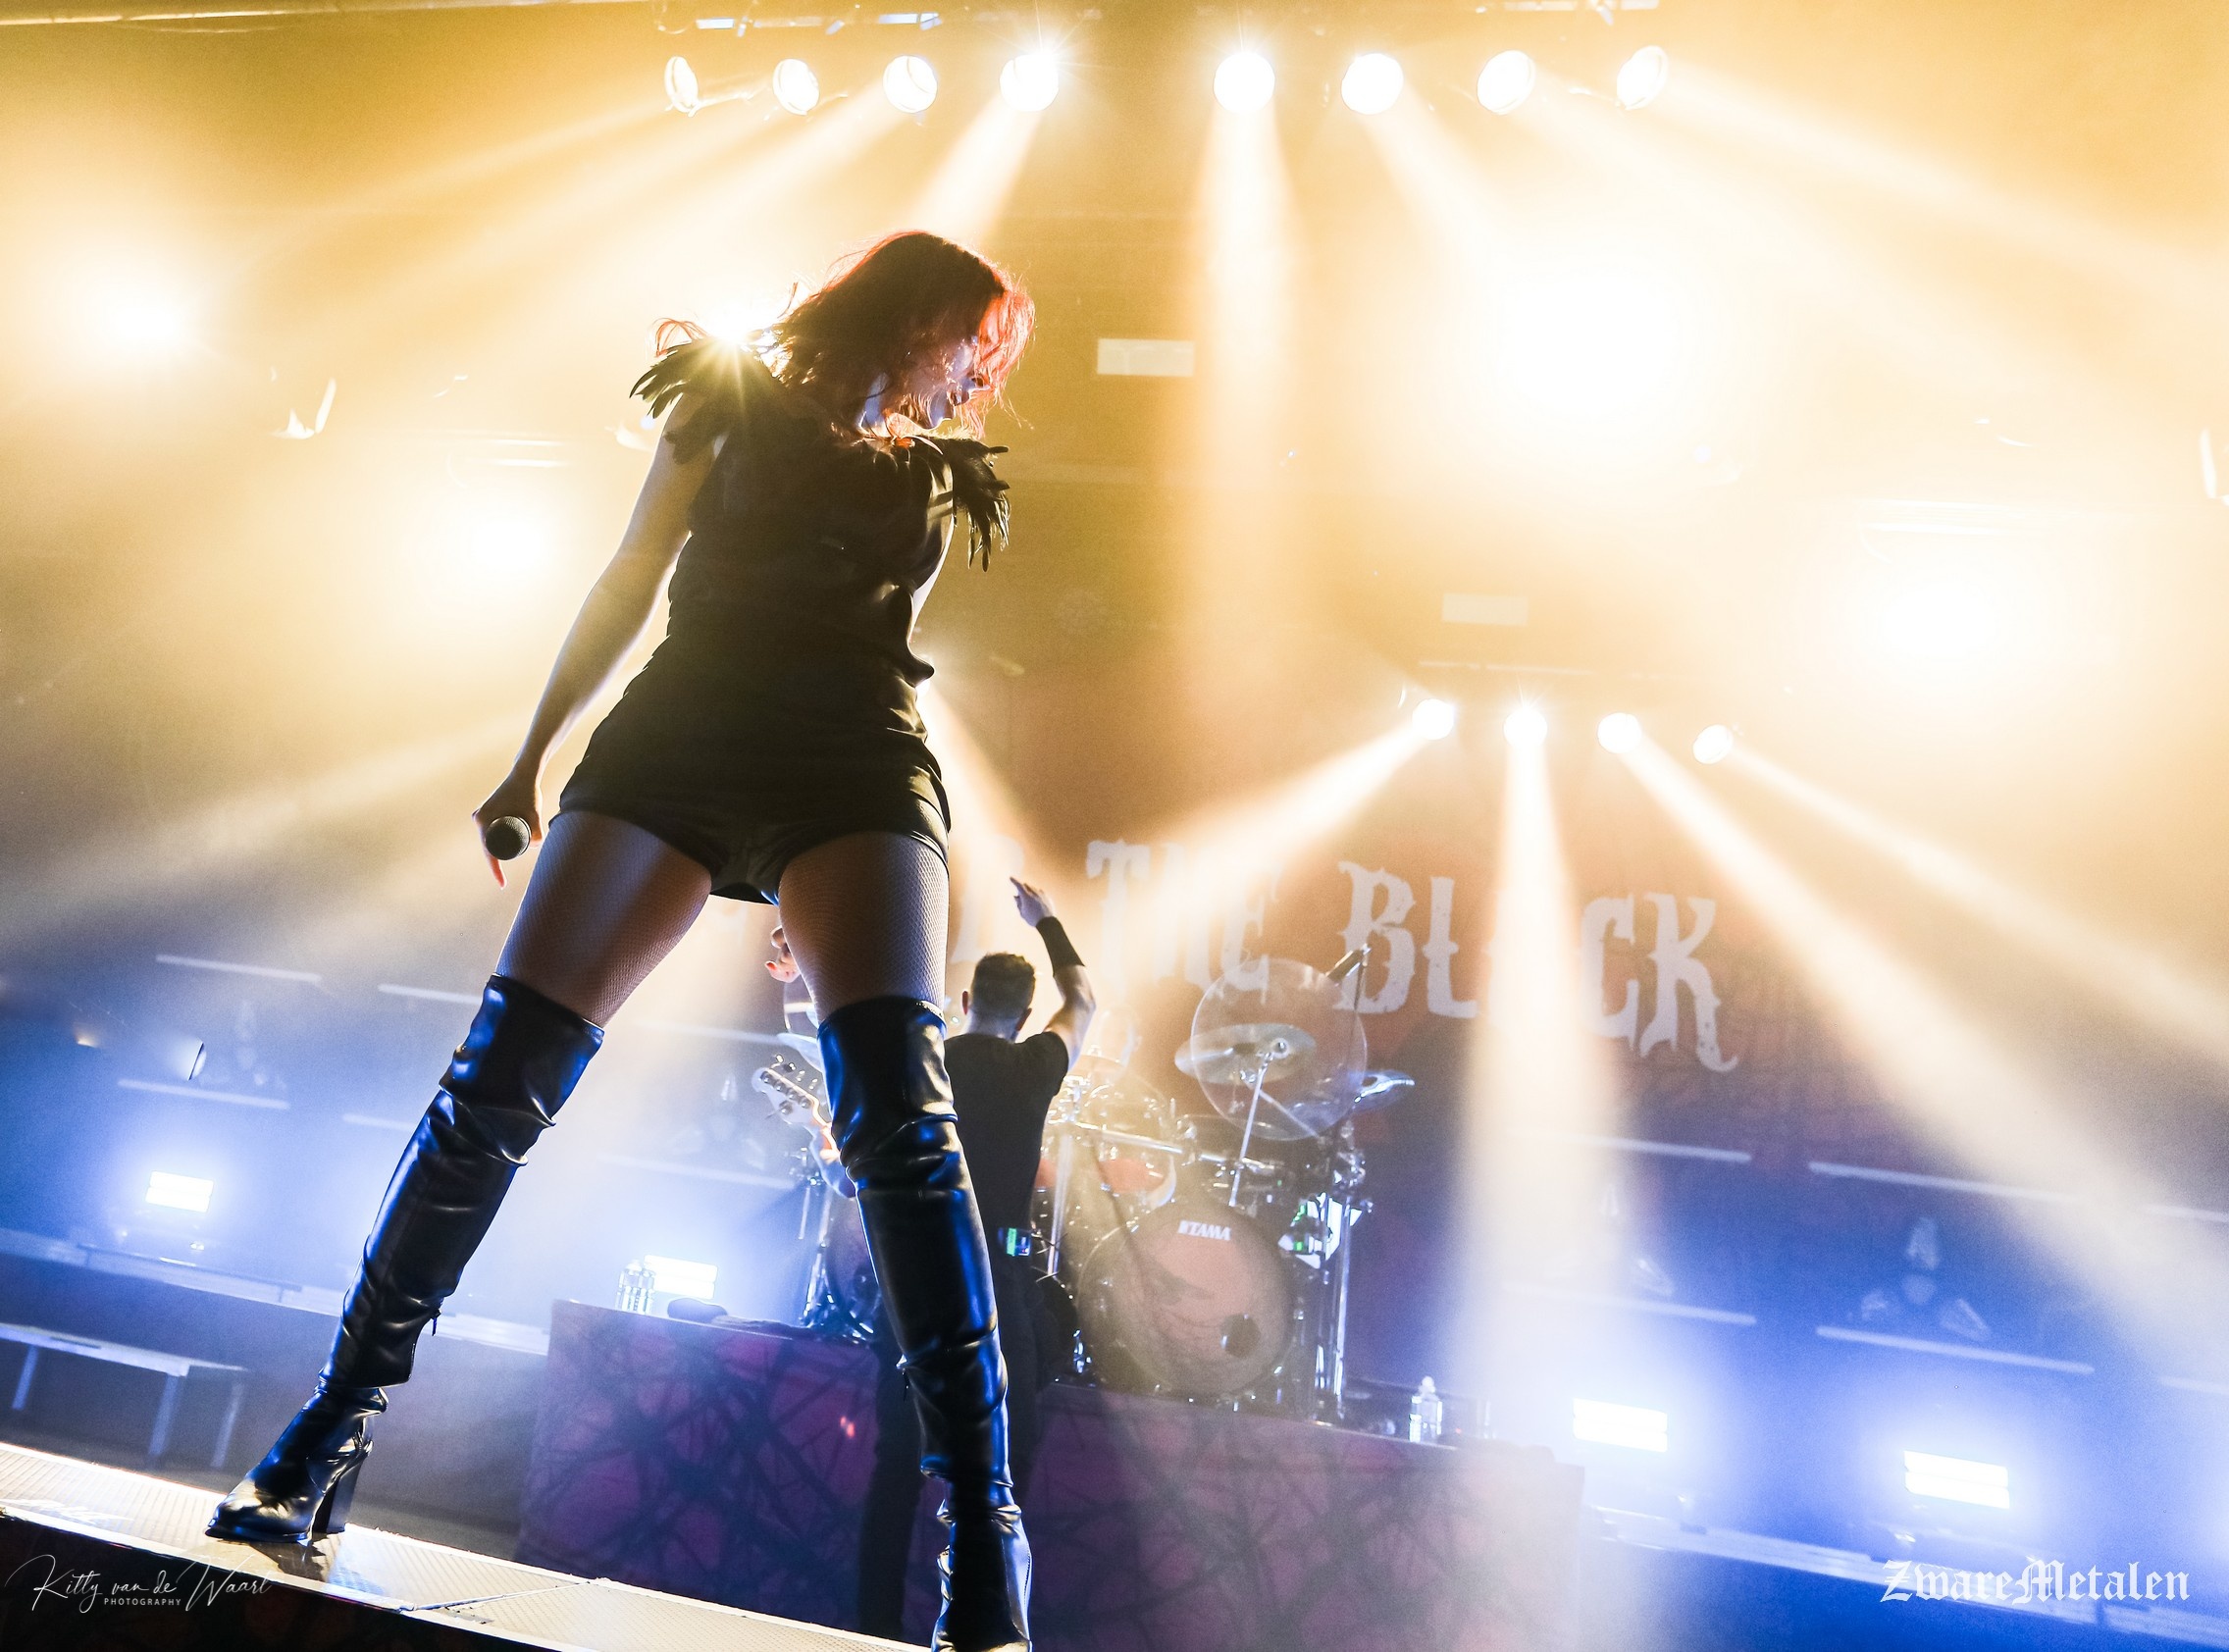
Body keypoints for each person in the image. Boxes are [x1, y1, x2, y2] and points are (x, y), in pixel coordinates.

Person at [208, 231, 1039, 1652]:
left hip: (855, 766)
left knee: (904, 1127)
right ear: (915, 316)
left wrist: (821, 895)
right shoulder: (723, 399)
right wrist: (529, 757)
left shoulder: (932, 479)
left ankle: (983, 1527)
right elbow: (629, 574)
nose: (978, 369)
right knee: (495, 1084)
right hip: (682, 732)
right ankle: (330, 1428)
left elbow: (889, 663)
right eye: (972, 336)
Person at [774, 879, 1093, 1642]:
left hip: (918, 1282)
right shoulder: (1036, 1065)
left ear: (966, 1001)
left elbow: (854, 1178)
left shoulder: (928, 1064)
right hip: (1000, 1290)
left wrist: (828, 1148)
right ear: (1023, 1016)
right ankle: (988, 1628)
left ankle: (875, 1630)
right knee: (1001, 1475)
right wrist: (1047, 922)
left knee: (897, 1469)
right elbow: (1084, 998)